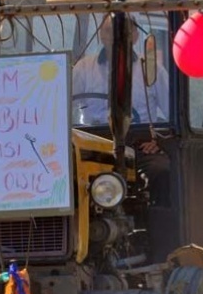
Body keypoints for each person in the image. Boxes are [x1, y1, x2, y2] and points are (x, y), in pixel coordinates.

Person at [72, 16, 170, 204]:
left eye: (123, 31)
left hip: (139, 144)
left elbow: (172, 112)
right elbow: (64, 107)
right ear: (101, 34)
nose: (116, 37)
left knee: (161, 170)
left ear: (134, 36)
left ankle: (159, 228)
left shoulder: (151, 69)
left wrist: (159, 140)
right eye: (110, 31)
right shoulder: (83, 69)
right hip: (92, 144)